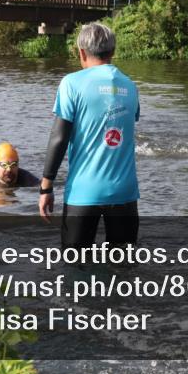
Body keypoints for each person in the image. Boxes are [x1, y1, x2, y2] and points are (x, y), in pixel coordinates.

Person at [38, 23, 141, 251]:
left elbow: (59, 137)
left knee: (76, 270)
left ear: (81, 53)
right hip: (125, 192)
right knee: (124, 269)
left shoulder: (71, 83)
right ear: (112, 52)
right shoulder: (131, 86)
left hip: (84, 193)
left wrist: (46, 187)